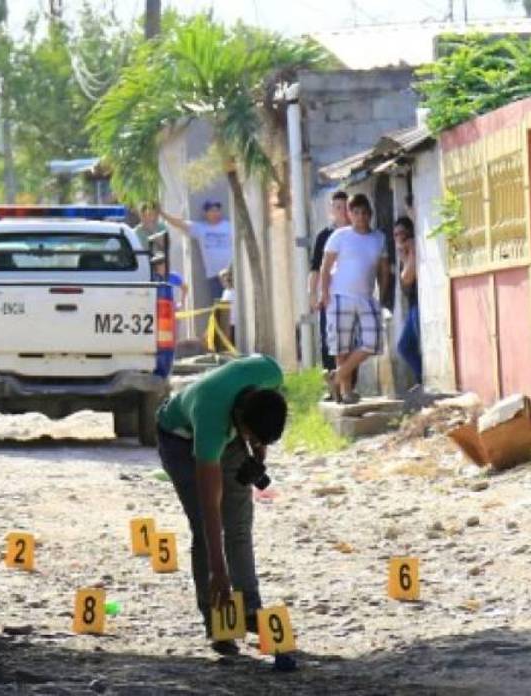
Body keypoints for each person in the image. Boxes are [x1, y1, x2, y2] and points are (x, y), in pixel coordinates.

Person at [155, 353, 287, 654]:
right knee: (205, 528)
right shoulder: (211, 423)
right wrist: (218, 570)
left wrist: (257, 448)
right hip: (179, 438)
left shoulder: (270, 372)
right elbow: (210, 507)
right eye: (252, 436)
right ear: (240, 420)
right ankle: (218, 621)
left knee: (239, 522)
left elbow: (263, 414)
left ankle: (250, 610)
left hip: (231, 432)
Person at [317, 194, 390, 405]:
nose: (360, 217)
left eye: (364, 213)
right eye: (356, 212)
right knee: (342, 346)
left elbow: (384, 270)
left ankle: (336, 376)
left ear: (370, 214)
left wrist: (382, 296)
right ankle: (346, 391)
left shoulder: (378, 238)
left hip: (367, 297)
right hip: (340, 296)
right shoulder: (340, 236)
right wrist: (324, 293)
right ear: (349, 214)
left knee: (373, 342)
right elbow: (325, 266)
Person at [308, 191, 351, 378]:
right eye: (338, 207)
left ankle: (348, 382)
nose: (342, 212)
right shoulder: (323, 237)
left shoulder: (357, 234)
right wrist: (312, 294)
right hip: (328, 295)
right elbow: (315, 269)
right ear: (331, 210)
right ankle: (331, 382)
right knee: (328, 340)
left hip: (351, 295)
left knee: (351, 341)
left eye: (345, 207)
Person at [161, 200, 234, 305]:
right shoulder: (200, 228)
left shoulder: (229, 226)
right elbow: (180, 223)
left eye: (217, 210)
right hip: (215, 276)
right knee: (220, 308)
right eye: (212, 211)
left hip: (231, 275)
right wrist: (162, 213)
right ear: (206, 213)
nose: (215, 213)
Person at [394, 216, 422, 384]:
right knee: (404, 347)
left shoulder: (412, 248)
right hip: (412, 304)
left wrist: (408, 255)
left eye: (402, 234)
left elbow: (407, 278)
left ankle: (424, 379)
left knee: (411, 345)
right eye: (396, 234)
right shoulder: (403, 253)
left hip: (420, 305)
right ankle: (421, 377)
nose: (399, 238)